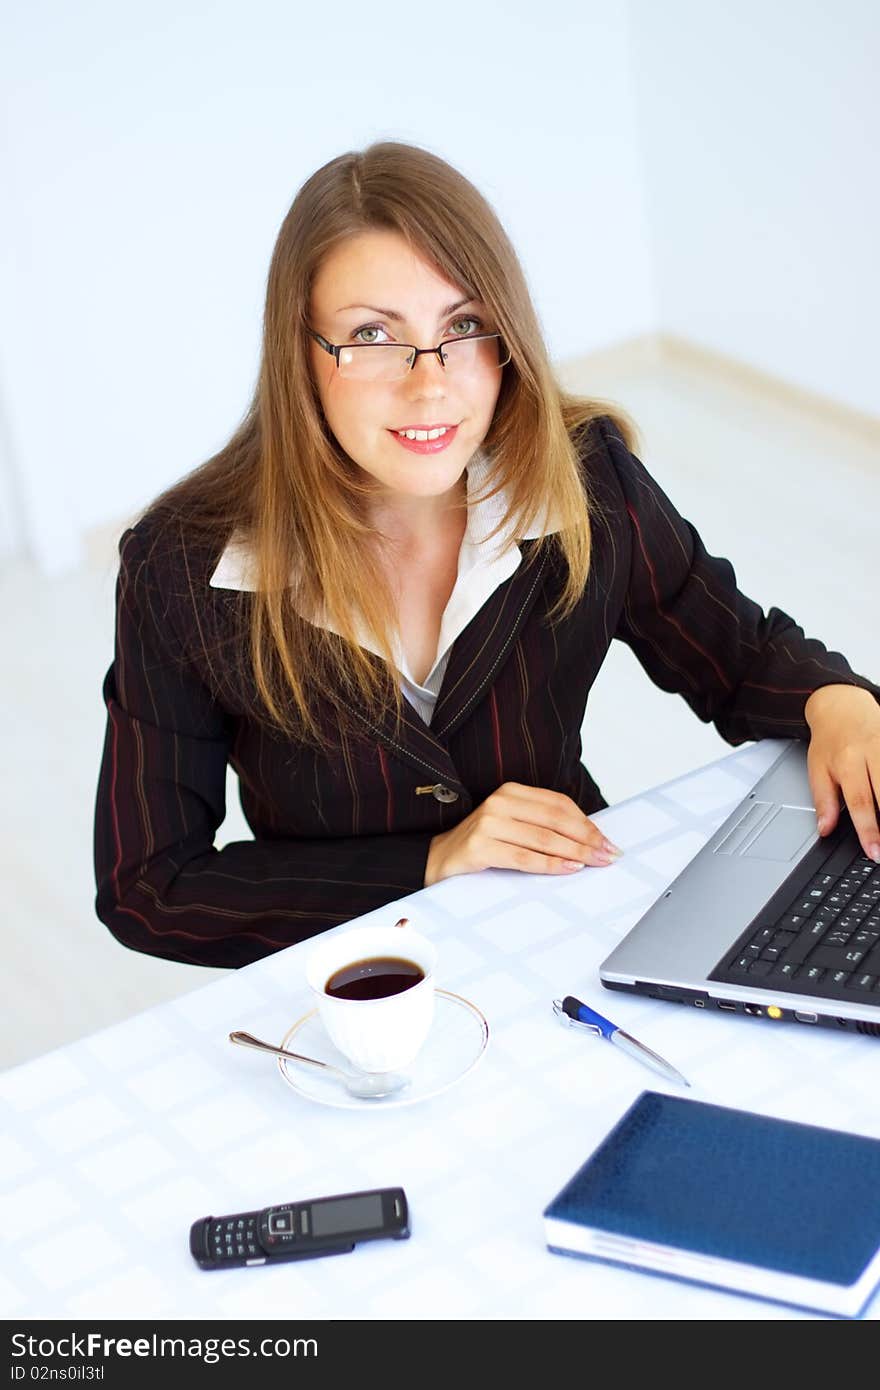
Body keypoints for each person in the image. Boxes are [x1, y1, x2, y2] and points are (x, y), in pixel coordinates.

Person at [93, 141, 880, 970]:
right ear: (299, 354)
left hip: (579, 923)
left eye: (463, 327)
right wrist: (429, 864)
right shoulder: (183, 566)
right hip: (356, 981)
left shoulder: (585, 478)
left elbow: (738, 656)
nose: (430, 383)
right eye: (372, 335)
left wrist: (839, 702)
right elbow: (151, 885)